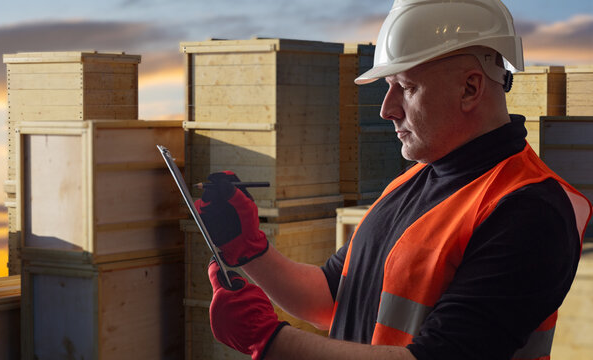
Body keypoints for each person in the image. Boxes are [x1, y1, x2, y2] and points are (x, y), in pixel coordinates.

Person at [195, 0, 593, 359]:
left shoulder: (528, 211)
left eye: (406, 87)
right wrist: (250, 251)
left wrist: (271, 342)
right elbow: (329, 299)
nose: (387, 110)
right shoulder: (413, 180)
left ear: (471, 87)